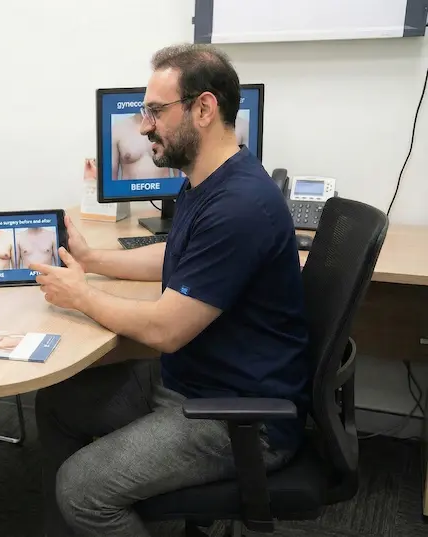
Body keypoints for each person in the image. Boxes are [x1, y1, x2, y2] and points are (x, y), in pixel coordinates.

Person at [29, 43, 310, 537]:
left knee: (82, 489)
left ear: (203, 108)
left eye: (154, 112)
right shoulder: (207, 180)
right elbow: (176, 255)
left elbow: (165, 329)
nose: (142, 126)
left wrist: (82, 295)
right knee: (56, 402)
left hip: (238, 418)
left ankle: (94, 515)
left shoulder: (238, 206)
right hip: (195, 380)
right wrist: (94, 262)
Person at [111, 112, 182, 180]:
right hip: (128, 191)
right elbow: (110, 177)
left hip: (166, 191)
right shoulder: (117, 130)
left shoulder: (168, 127)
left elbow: (180, 173)